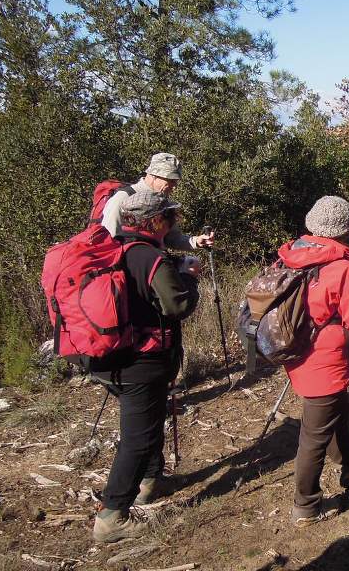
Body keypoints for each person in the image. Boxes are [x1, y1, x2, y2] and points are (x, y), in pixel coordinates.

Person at [91, 191, 200, 543]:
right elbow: (177, 305)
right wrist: (191, 278)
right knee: (137, 438)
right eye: (170, 217)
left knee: (148, 424)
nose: (174, 223)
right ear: (154, 221)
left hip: (107, 355)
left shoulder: (113, 247)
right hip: (140, 360)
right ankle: (112, 515)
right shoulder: (150, 257)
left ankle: (152, 481)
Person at [281, 196, 349, 525]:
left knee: (337, 410)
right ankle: (305, 505)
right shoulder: (342, 268)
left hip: (297, 351)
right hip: (326, 359)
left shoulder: (292, 254)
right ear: (345, 228)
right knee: (314, 435)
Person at [100, 153, 215, 250]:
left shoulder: (162, 200)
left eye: (176, 181)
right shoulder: (123, 198)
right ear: (154, 176)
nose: (174, 186)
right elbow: (107, 239)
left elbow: (172, 238)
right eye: (170, 180)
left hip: (153, 266)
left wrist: (196, 241)